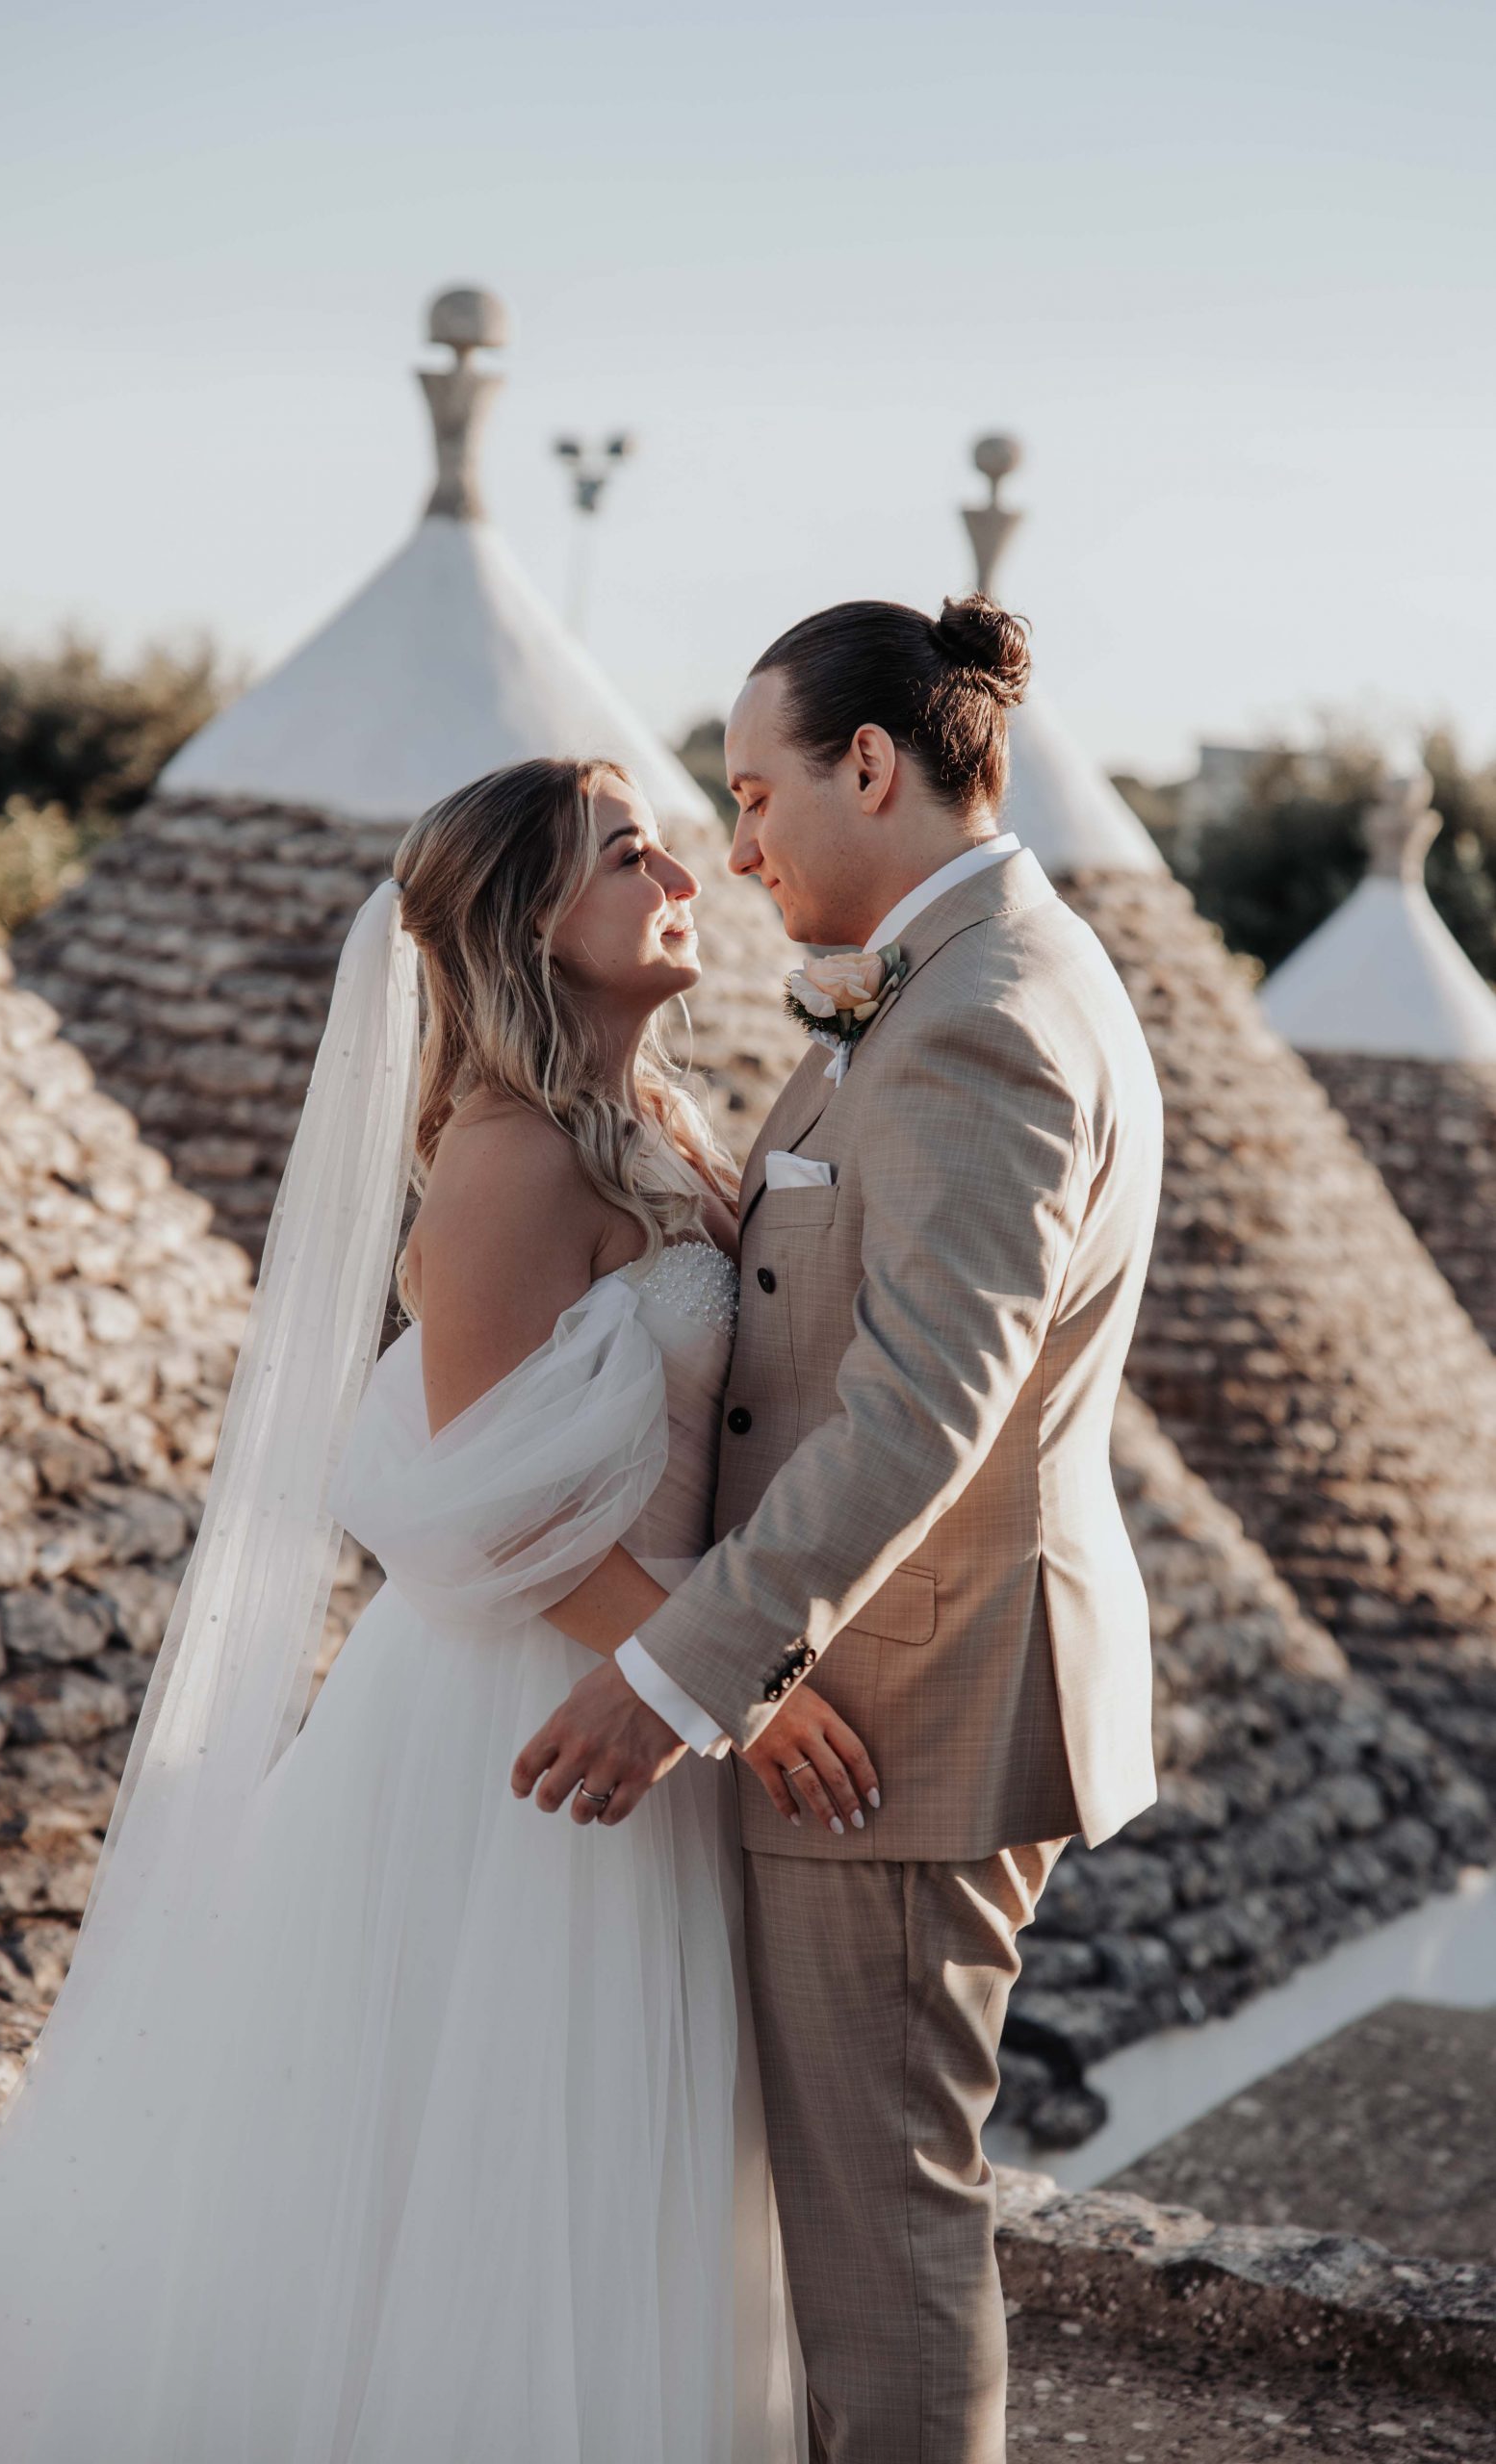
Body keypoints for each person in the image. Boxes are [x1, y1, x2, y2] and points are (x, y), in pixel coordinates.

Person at [0, 755, 816, 2461]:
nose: (684, 873)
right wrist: (730, 1687)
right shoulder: (510, 1157)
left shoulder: (665, 1124)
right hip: (528, 1720)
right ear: (528, 922)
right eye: (629, 853)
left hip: (651, 1691)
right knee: (489, 2161)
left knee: (613, 2172)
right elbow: (479, 1512)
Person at [516, 594, 1166, 2463]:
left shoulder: (981, 1017)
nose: (734, 850)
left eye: (751, 793)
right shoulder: (959, 978)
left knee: (881, 2233)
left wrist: (680, 1671)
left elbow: (923, 1406)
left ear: (868, 765)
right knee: (856, 2217)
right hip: (891, 1680)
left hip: (901, 1705)